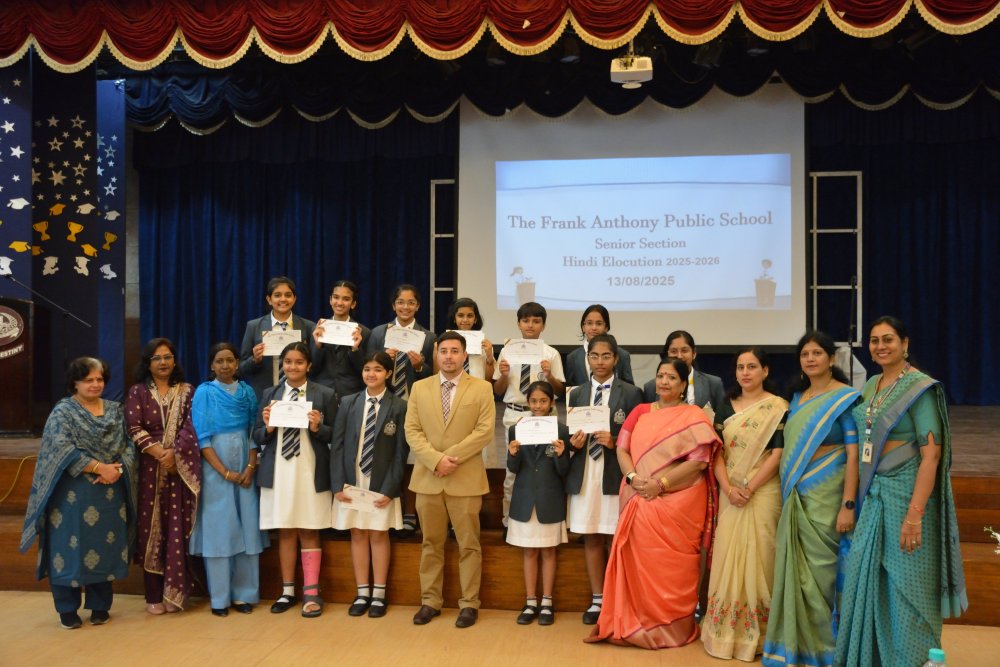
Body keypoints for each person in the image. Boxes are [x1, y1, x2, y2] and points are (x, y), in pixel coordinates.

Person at [835, 317, 967, 667]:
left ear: (904, 343)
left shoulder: (920, 388)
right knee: (868, 580)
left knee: (907, 588)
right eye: (874, 341)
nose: (880, 346)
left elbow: (932, 455)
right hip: (873, 495)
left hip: (907, 496)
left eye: (888, 339)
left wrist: (914, 516)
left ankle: (914, 660)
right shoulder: (872, 385)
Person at [586, 358, 720, 649]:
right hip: (638, 495)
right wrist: (634, 479)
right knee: (639, 560)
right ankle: (634, 623)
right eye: (660, 376)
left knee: (674, 567)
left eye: (672, 377)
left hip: (680, 501)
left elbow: (698, 463)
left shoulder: (693, 415)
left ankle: (671, 625)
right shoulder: (640, 412)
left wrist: (661, 485)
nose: (664, 382)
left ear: (684, 384)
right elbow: (622, 449)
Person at [763, 331, 860, 667]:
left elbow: (853, 453)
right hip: (796, 494)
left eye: (818, 353)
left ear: (831, 359)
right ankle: (797, 648)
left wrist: (849, 504)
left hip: (830, 494)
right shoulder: (795, 399)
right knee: (796, 574)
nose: (811, 359)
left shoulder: (845, 399)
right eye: (805, 354)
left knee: (822, 573)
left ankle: (828, 651)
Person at [21, 357, 136, 629]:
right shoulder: (63, 412)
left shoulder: (115, 410)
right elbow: (60, 448)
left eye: (100, 379)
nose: (96, 384)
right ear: (75, 382)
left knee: (103, 546)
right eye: (89, 380)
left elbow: (129, 444)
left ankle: (99, 607)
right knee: (67, 549)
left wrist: (116, 471)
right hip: (71, 495)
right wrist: (97, 467)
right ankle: (67, 609)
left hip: (109, 492)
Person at [701, 347, 788, 661]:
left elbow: (777, 454)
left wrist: (749, 487)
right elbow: (717, 454)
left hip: (763, 491)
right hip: (731, 492)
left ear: (765, 371)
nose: (746, 373)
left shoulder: (777, 407)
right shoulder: (726, 406)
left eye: (752, 366)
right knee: (728, 557)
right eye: (740, 367)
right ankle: (725, 635)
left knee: (763, 557)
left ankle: (761, 635)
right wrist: (728, 487)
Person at [405, 331, 496, 629]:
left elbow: (484, 432)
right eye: (443, 351)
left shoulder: (482, 389)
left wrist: (449, 459)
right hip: (428, 479)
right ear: (435, 355)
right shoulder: (419, 388)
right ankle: (430, 601)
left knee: (469, 544)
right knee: (431, 543)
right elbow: (412, 431)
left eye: (455, 351)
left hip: (465, 478)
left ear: (465, 356)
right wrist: (435, 460)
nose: (448, 356)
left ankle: (469, 603)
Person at [253, 342, 338, 618]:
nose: (292, 367)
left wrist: (318, 427)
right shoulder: (270, 393)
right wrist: (267, 427)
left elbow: (335, 435)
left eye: (299, 362)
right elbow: (256, 436)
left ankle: (311, 592)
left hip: (309, 468)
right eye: (288, 362)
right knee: (286, 530)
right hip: (279, 469)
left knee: (309, 528)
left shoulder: (324, 394)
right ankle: (287, 590)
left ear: (309, 365)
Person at [566, 334, 642, 625]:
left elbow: (639, 438)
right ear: (588, 359)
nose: (600, 362)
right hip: (585, 474)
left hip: (613, 474)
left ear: (616, 359)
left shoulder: (632, 393)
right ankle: (598, 599)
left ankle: (617, 596)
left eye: (606, 356)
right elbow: (569, 438)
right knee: (591, 536)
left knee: (615, 537)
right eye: (594, 356)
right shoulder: (576, 393)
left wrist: (616, 442)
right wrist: (573, 442)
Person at [188, 342, 267, 617]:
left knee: (247, 530)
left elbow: (253, 432)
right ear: (211, 365)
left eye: (230, 360)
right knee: (219, 532)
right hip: (215, 470)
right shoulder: (204, 393)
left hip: (246, 467)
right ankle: (219, 599)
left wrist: (249, 467)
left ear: (237, 363)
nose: (225, 366)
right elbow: (202, 438)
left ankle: (245, 595)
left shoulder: (246, 391)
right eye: (219, 361)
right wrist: (225, 472)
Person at [330, 352, 409, 619]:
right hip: (353, 482)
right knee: (358, 533)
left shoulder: (398, 406)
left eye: (377, 369)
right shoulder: (349, 402)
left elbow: (401, 453)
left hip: (381, 483)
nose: (371, 374)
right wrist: (337, 484)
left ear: (388, 373)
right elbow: (337, 445)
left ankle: (379, 594)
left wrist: (390, 489)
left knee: (378, 534)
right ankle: (362, 591)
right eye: (366, 369)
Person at [125, 338, 200, 614]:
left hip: (180, 467)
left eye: (168, 357)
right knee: (151, 528)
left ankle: (176, 591)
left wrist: (175, 456)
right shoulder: (137, 392)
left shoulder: (188, 391)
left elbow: (192, 426)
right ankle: (153, 594)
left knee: (176, 528)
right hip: (149, 469)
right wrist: (161, 454)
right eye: (157, 358)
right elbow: (134, 427)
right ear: (148, 363)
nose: (163, 362)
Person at [368, 283, 436, 537]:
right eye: (400, 302)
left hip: (412, 405)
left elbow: (433, 376)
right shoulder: (378, 333)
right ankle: (385, 509)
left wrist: (420, 367)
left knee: (410, 460)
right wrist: (382, 358)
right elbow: (368, 367)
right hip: (382, 403)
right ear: (393, 305)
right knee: (383, 457)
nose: (405, 307)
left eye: (410, 303)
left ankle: (409, 513)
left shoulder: (427, 337)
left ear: (418, 306)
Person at [493, 302, 565, 527]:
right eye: (526, 321)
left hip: (543, 417)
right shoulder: (507, 351)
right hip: (515, 415)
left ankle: (539, 519)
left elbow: (560, 391)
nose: (530, 325)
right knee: (512, 471)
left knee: (542, 469)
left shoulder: (550, 353)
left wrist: (549, 375)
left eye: (536, 321)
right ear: (518, 323)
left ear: (543, 325)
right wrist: (504, 375)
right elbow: (498, 390)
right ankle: (508, 522)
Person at [506, 381, 571, 626]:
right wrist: (512, 454)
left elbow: (563, 471)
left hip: (549, 499)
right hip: (524, 499)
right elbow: (513, 469)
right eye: (534, 401)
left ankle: (547, 601)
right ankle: (530, 601)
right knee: (529, 551)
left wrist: (561, 454)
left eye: (543, 401)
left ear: (552, 403)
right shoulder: (517, 429)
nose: (538, 405)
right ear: (528, 403)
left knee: (548, 552)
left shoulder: (561, 430)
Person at [239, 276, 317, 402]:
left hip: (298, 395)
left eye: (288, 295)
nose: (283, 299)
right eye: (277, 295)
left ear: (294, 298)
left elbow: (315, 365)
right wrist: (255, 359)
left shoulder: (308, 327)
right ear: (269, 299)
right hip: (265, 395)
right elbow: (242, 369)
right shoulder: (254, 326)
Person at [312, 279, 371, 401]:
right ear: (330, 300)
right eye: (336, 297)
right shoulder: (317, 329)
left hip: (351, 394)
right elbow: (311, 368)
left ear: (353, 303)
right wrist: (318, 346)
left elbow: (364, 370)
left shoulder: (363, 332)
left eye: (346, 299)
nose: (339, 302)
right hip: (322, 392)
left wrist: (355, 349)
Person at [642, 330, 725, 415]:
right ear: (667, 354)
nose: (679, 356)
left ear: (694, 353)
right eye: (674, 351)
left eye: (684, 351)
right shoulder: (651, 387)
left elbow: (721, 421)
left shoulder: (713, 383)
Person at [565, 304, 634, 387]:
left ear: (606, 327)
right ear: (583, 327)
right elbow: (570, 389)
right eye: (589, 323)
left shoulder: (622, 355)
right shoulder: (572, 357)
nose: (594, 328)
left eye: (599, 323)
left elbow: (629, 388)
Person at [437, 297, 495, 381]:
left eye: (470, 316)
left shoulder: (485, 345)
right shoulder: (444, 343)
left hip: (477, 389)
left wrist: (490, 358)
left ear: (475, 319)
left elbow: (489, 380)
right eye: (460, 315)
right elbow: (437, 374)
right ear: (454, 318)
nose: (465, 320)